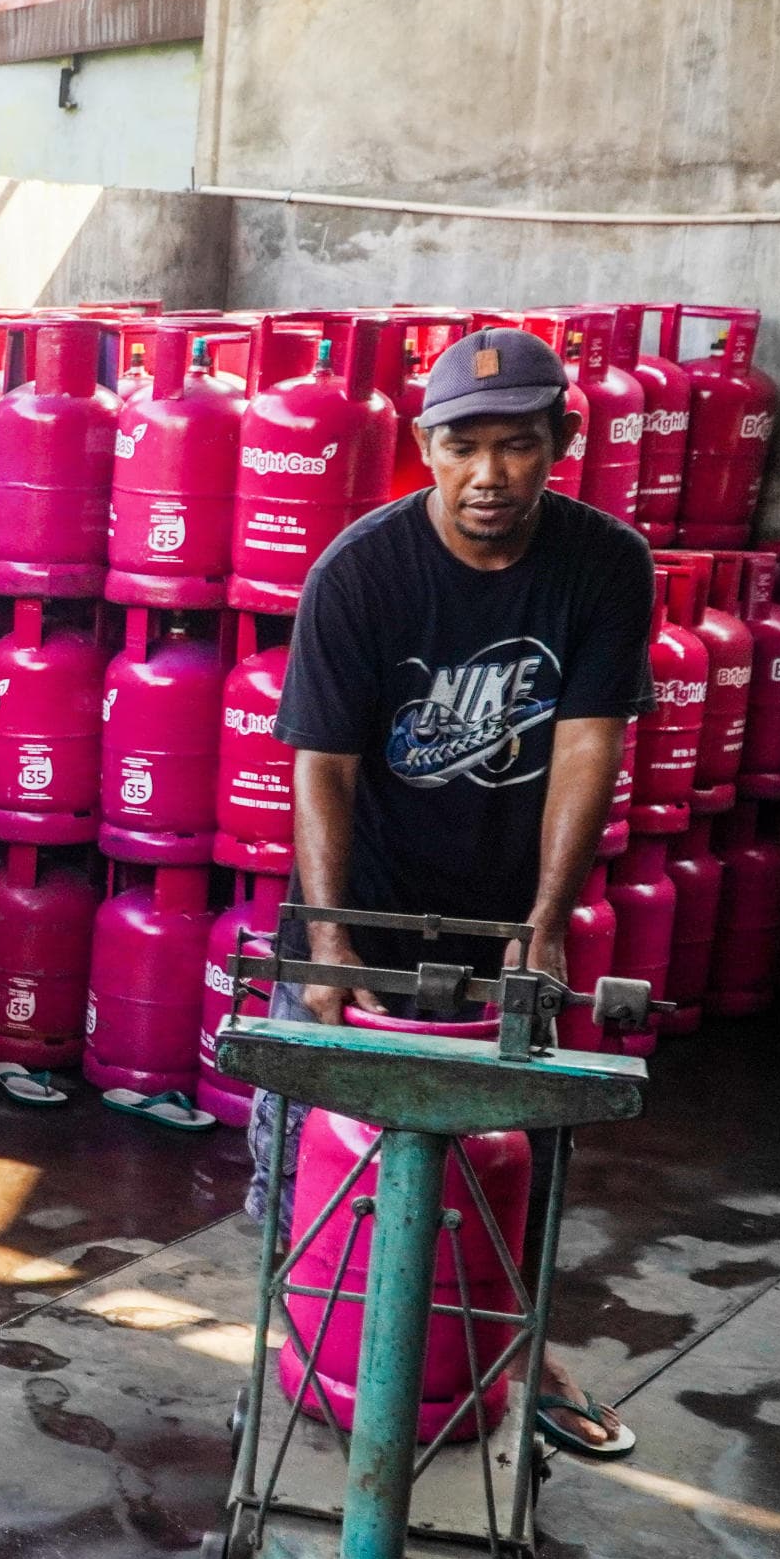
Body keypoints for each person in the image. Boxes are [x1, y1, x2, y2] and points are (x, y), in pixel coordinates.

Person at [251, 323, 654, 1458]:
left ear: (561, 439)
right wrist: (331, 946)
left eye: (518, 444)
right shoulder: (361, 572)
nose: (490, 475)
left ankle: (513, 1346)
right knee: (310, 1148)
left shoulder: (603, 564)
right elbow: (320, 766)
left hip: (503, 913)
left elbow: (586, 743)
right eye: (463, 444)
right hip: (364, 898)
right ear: (423, 445)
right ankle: (295, 1336)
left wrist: (545, 923)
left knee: (510, 1152)